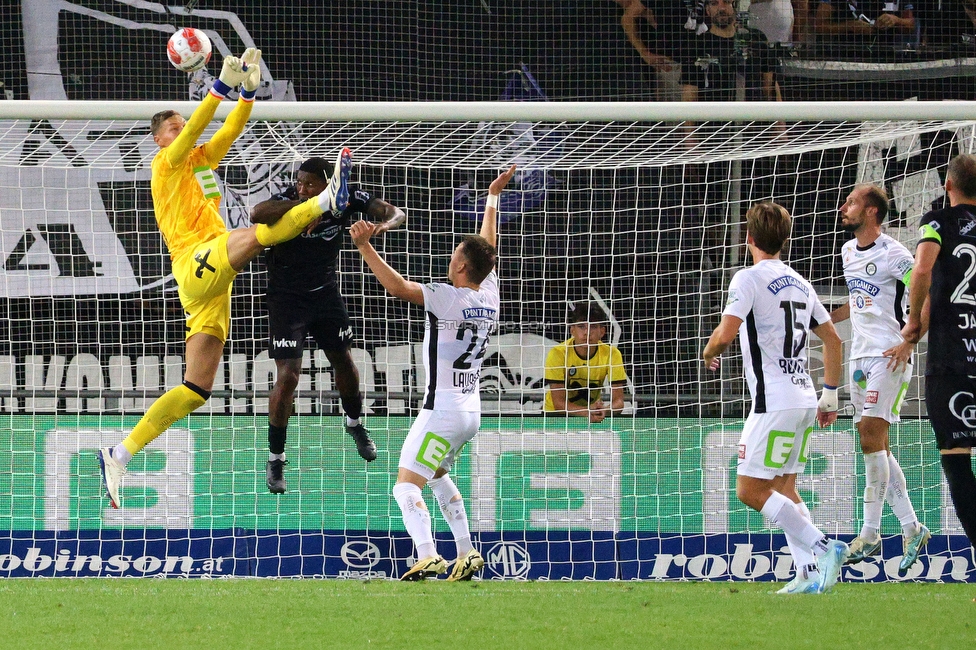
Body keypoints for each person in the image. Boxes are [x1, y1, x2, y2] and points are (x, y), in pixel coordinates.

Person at [97, 49, 353, 509]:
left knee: (197, 389)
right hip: (195, 258)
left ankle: (118, 454)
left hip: (208, 282)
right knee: (258, 235)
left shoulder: (198, 162)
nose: (182, 130)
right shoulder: (167, 164)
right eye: (172, 127)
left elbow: (227, 130)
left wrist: (247, 94)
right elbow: (197, 126)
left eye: (180, 123)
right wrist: (219, 88)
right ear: (159, 140)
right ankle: (326, 202)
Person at [350, 164, 517, 581]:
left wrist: (365, 246)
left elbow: (398, 288)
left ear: (461, 267)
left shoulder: (447, 298)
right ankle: (467, 552)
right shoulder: (490, 294)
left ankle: (427, 554)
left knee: (405, 487)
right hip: (469, 413)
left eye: (455, 253)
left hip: (441, 411)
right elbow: (487, 249)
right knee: (438, 474)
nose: (451, 257)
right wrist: (492, 198)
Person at [702, 201, 849, 594]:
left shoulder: (747, 278)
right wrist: (830, 395)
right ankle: (805, 574)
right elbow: (833, 339)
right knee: (784, 487)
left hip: (774, 401)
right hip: (805, 398)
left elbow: (726, 333)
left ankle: (824, 546)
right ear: (785, 240)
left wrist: (709, 351)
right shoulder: (801, 282)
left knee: (750, 490)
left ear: (749, 239)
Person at [250, 157, 407, 493]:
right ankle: (275, 458)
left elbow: (395, 213)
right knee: (288, 376)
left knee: (345, 361)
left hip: (325, 295)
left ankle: (355, 424)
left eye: (310, 184)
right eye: (299, 182)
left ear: (328, 184)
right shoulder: (288, 199)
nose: (302, 187)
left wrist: (382, 227)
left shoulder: (347, 199)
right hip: (286, 300)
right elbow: (256, 214)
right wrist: (305, 205)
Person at [828, 184, 929, 573]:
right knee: (876, 444)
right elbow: (858, 304)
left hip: (890, 354)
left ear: (871, 211)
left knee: (870, 431)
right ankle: (912, 527)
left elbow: (930, 293)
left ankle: (869, 534)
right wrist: (821, 320)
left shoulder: (895, 253)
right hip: (860, 356)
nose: (843, 208)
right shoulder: (848, 251)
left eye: (851, 202)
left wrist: (909, 339)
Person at [901, 153, 976, 554]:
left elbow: (924, 270)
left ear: (948, 185)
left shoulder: (937, 224)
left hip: (953, 360)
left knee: (956, 459)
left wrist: (913, 321)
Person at [681, 0, 782, 103]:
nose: (721, 8)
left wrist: (779, 117)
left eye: (726, 2)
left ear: (735, 7)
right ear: (707, 10)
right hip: (714, 116)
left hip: (754, 115)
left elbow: (770, 86)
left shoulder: (756, 38)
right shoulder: (697, 46)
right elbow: (690, 95)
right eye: (714, 3)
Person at [543, 302, 628, 423]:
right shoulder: (557, 353)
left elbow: (619, 402)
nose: (587, 332)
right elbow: (559, 403)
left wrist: (604, 411)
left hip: (591, 417)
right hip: (555, 417)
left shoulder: (612, 354)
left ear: (602, 332)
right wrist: (587, 412)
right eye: (581, 326)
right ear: (572, 330)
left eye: (593, 326)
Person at [813, 0, 918, 58]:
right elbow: (819, 26)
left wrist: (896, 20)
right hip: (845, 56)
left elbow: (911, 25)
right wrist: (849, 26)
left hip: (886, 56)